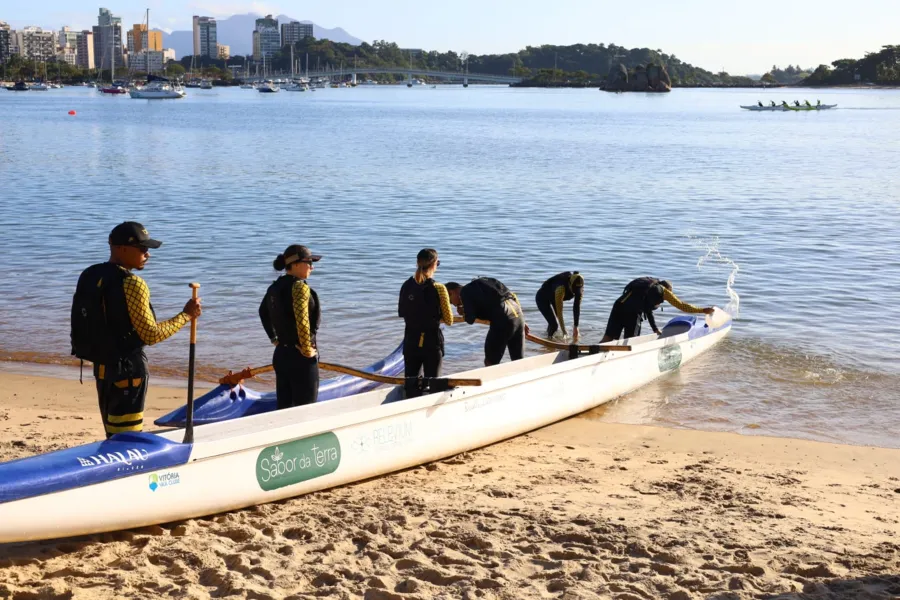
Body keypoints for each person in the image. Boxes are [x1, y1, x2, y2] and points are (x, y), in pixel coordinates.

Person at [70, 222, 201, 438]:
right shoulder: (133, 283)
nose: (147, 254)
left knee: (112, 435)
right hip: (129, 371)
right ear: (121, 248)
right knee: (127, 438)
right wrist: (186, 315)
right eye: (142, 249)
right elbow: (150, 335)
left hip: (102, 367)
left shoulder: (90, 275)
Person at [259, 245, 322, 410]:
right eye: (308, 262)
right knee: (305, 409)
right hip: (300, 357)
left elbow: (262, 312)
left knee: (284, 408)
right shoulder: (300, 286)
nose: (312, 266)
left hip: (281, 355)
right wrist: (307, 348)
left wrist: (274, 339)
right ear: (294, 264)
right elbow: (302, 320)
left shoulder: (274, 287)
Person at [397, 249, 454, 397]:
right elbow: (449, 320)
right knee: (434, 386)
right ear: (434, 264)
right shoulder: (439, 288)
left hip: (411, 342)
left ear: (417, 263)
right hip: (431, 343)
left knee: (411, 386)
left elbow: (402, 313)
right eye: (438, 263)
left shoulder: (406, 286)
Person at [600, 277, 714, 343]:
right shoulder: (664, 291)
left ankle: (591, 356)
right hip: (632, 312)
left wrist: (655, 329)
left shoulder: (648, 287)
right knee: (630, 341)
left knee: (608, 338)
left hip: (618, 305)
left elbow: (647, 310)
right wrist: (703, 310)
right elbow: (682, 305)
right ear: (668, 290)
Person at [445, 277, 529, 366]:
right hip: (518, 315)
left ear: (451, 292)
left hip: (503, 320)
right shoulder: (486, 281)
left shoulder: (464, 292)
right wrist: (524, 322)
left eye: (451, 302)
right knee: (518, 360)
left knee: (490, 363)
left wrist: (463, 312)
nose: (454, 305)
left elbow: (470, 319)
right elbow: (511, 296)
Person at [535, 271, 584, 340]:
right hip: (542, 298)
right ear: (570, 284)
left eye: (577, 291)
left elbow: (576, 307)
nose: (575, 293)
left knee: (553, 324)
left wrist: (576, 327)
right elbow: (559, 313)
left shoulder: (580, 287)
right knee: (554, 325)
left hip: (553, 297)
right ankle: (549, 341)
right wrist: (564, 332)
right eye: (574, 290)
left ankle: (548, 336)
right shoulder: (561, 289)